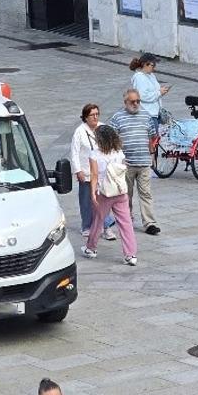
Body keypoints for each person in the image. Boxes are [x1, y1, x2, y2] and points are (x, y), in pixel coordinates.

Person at [81, 125, 138, 266]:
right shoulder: (119, 152)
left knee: (98, 221)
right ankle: (130, 254)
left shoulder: (95, 154)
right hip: (120, 191)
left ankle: (91, 248)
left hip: (105, 193)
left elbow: (94, 175)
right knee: (126, 223)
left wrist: (93, 194)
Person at [109, 88, 160, 236]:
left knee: (146, 193)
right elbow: (112, 139)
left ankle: (149, 223)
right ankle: (127, 219)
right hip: (127, 164)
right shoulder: (117, 117)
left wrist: (152, 155)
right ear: (125, 102)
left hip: (143, 162)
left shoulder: (146, 116)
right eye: (133, 101)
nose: (136, 104)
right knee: (126, 194)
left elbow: (151, 137)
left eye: (138, 101)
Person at [70, 104, 115, 240]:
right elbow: (74, 152)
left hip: (102, 172)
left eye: (97, 114)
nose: (95, 117)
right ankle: (87, 226)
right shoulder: (79, 132)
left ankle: (106, 226)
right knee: (86, 200)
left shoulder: (103, 128)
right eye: (92, 115)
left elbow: (110, 147)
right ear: (85, 117)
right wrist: (78, 170)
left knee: (103, 200)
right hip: (86, 171)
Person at [129, 53, 169, 132]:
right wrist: (159, 93)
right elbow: (143, 96)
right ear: (144, 64)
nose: (154, 67)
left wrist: (161, 90)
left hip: (155, 113)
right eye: (152, 65)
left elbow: (153, 90)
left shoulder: (151, 75)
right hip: (148, 115)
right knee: (152, 141)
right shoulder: (139, 77)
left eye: (155, 65)